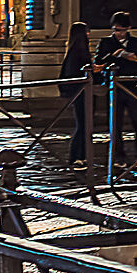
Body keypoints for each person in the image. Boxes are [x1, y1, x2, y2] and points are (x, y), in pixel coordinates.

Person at [93, 10, 137, 158]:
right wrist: (113, 55)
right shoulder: (106, 43)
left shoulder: (136, 43)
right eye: (116, 30)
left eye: (122, 30)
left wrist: (136, 59)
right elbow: (98, 63)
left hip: (133, 86)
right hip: (115, 87)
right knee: (115, 124)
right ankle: (118, 156)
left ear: (128, 28)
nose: (119, 33)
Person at [58, 23, 95, 166]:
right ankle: (76, 156)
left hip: (79, 92)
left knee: (84, 124)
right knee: (82, 125)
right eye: (86, 32)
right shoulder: (78, 52)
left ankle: (83, 155)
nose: (88, 35)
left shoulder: (74, 50)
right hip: (81, 92)